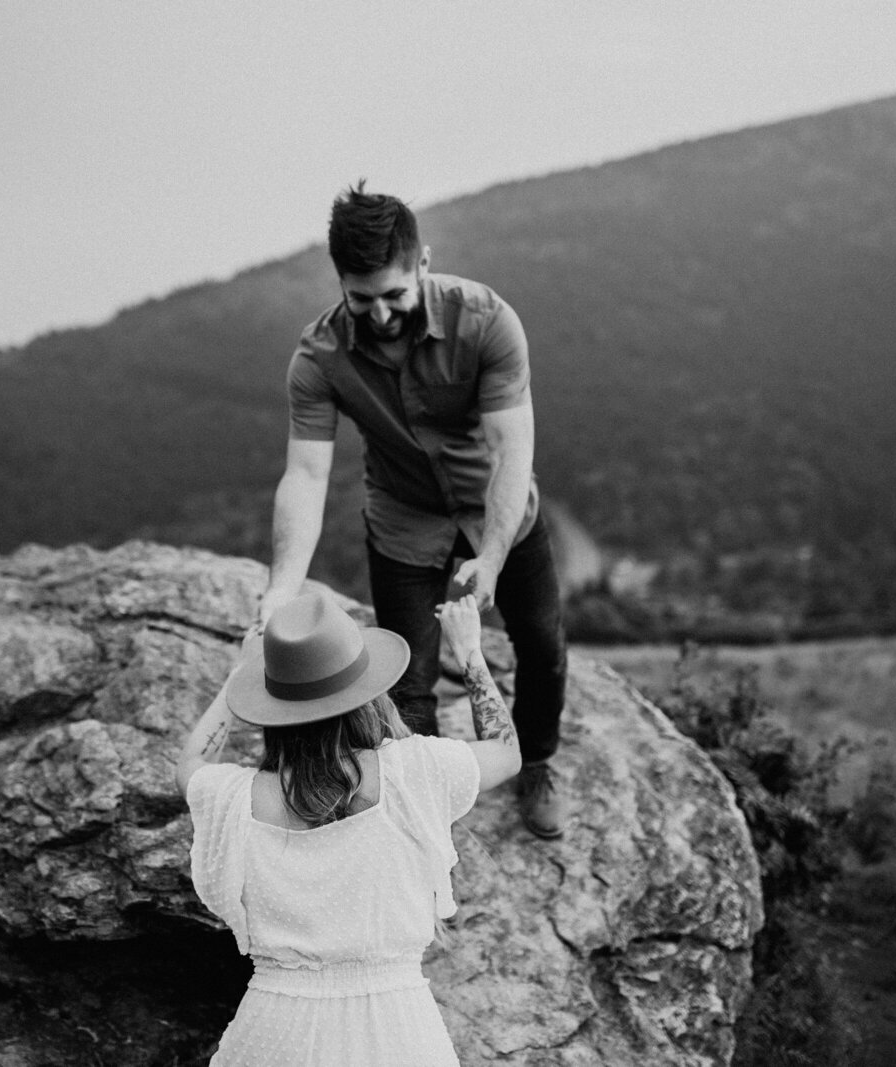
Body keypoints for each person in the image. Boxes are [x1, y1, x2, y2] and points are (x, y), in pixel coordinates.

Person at [257, 181, 571, 838]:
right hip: (402, 524)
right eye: (360, 298)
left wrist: (490, 557)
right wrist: (281, 587)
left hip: (498, 511)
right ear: (341, 280)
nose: (378, 314)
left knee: (542, 648)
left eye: (394, 295)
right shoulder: (318, 357)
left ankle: (536, 762)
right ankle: (416, 807)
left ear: (423, 263)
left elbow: (512, 450)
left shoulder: (485, 320)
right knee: (406, 680)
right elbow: (307, 473)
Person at [176, 590, 519, 1066]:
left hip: (276, 1029)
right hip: (397, 1029)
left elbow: (191, 763)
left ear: (274, 711)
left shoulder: (234, 797)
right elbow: (506, 752)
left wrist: (240, 676)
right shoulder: (414, 772)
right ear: (367, 697)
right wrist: (469, 652)